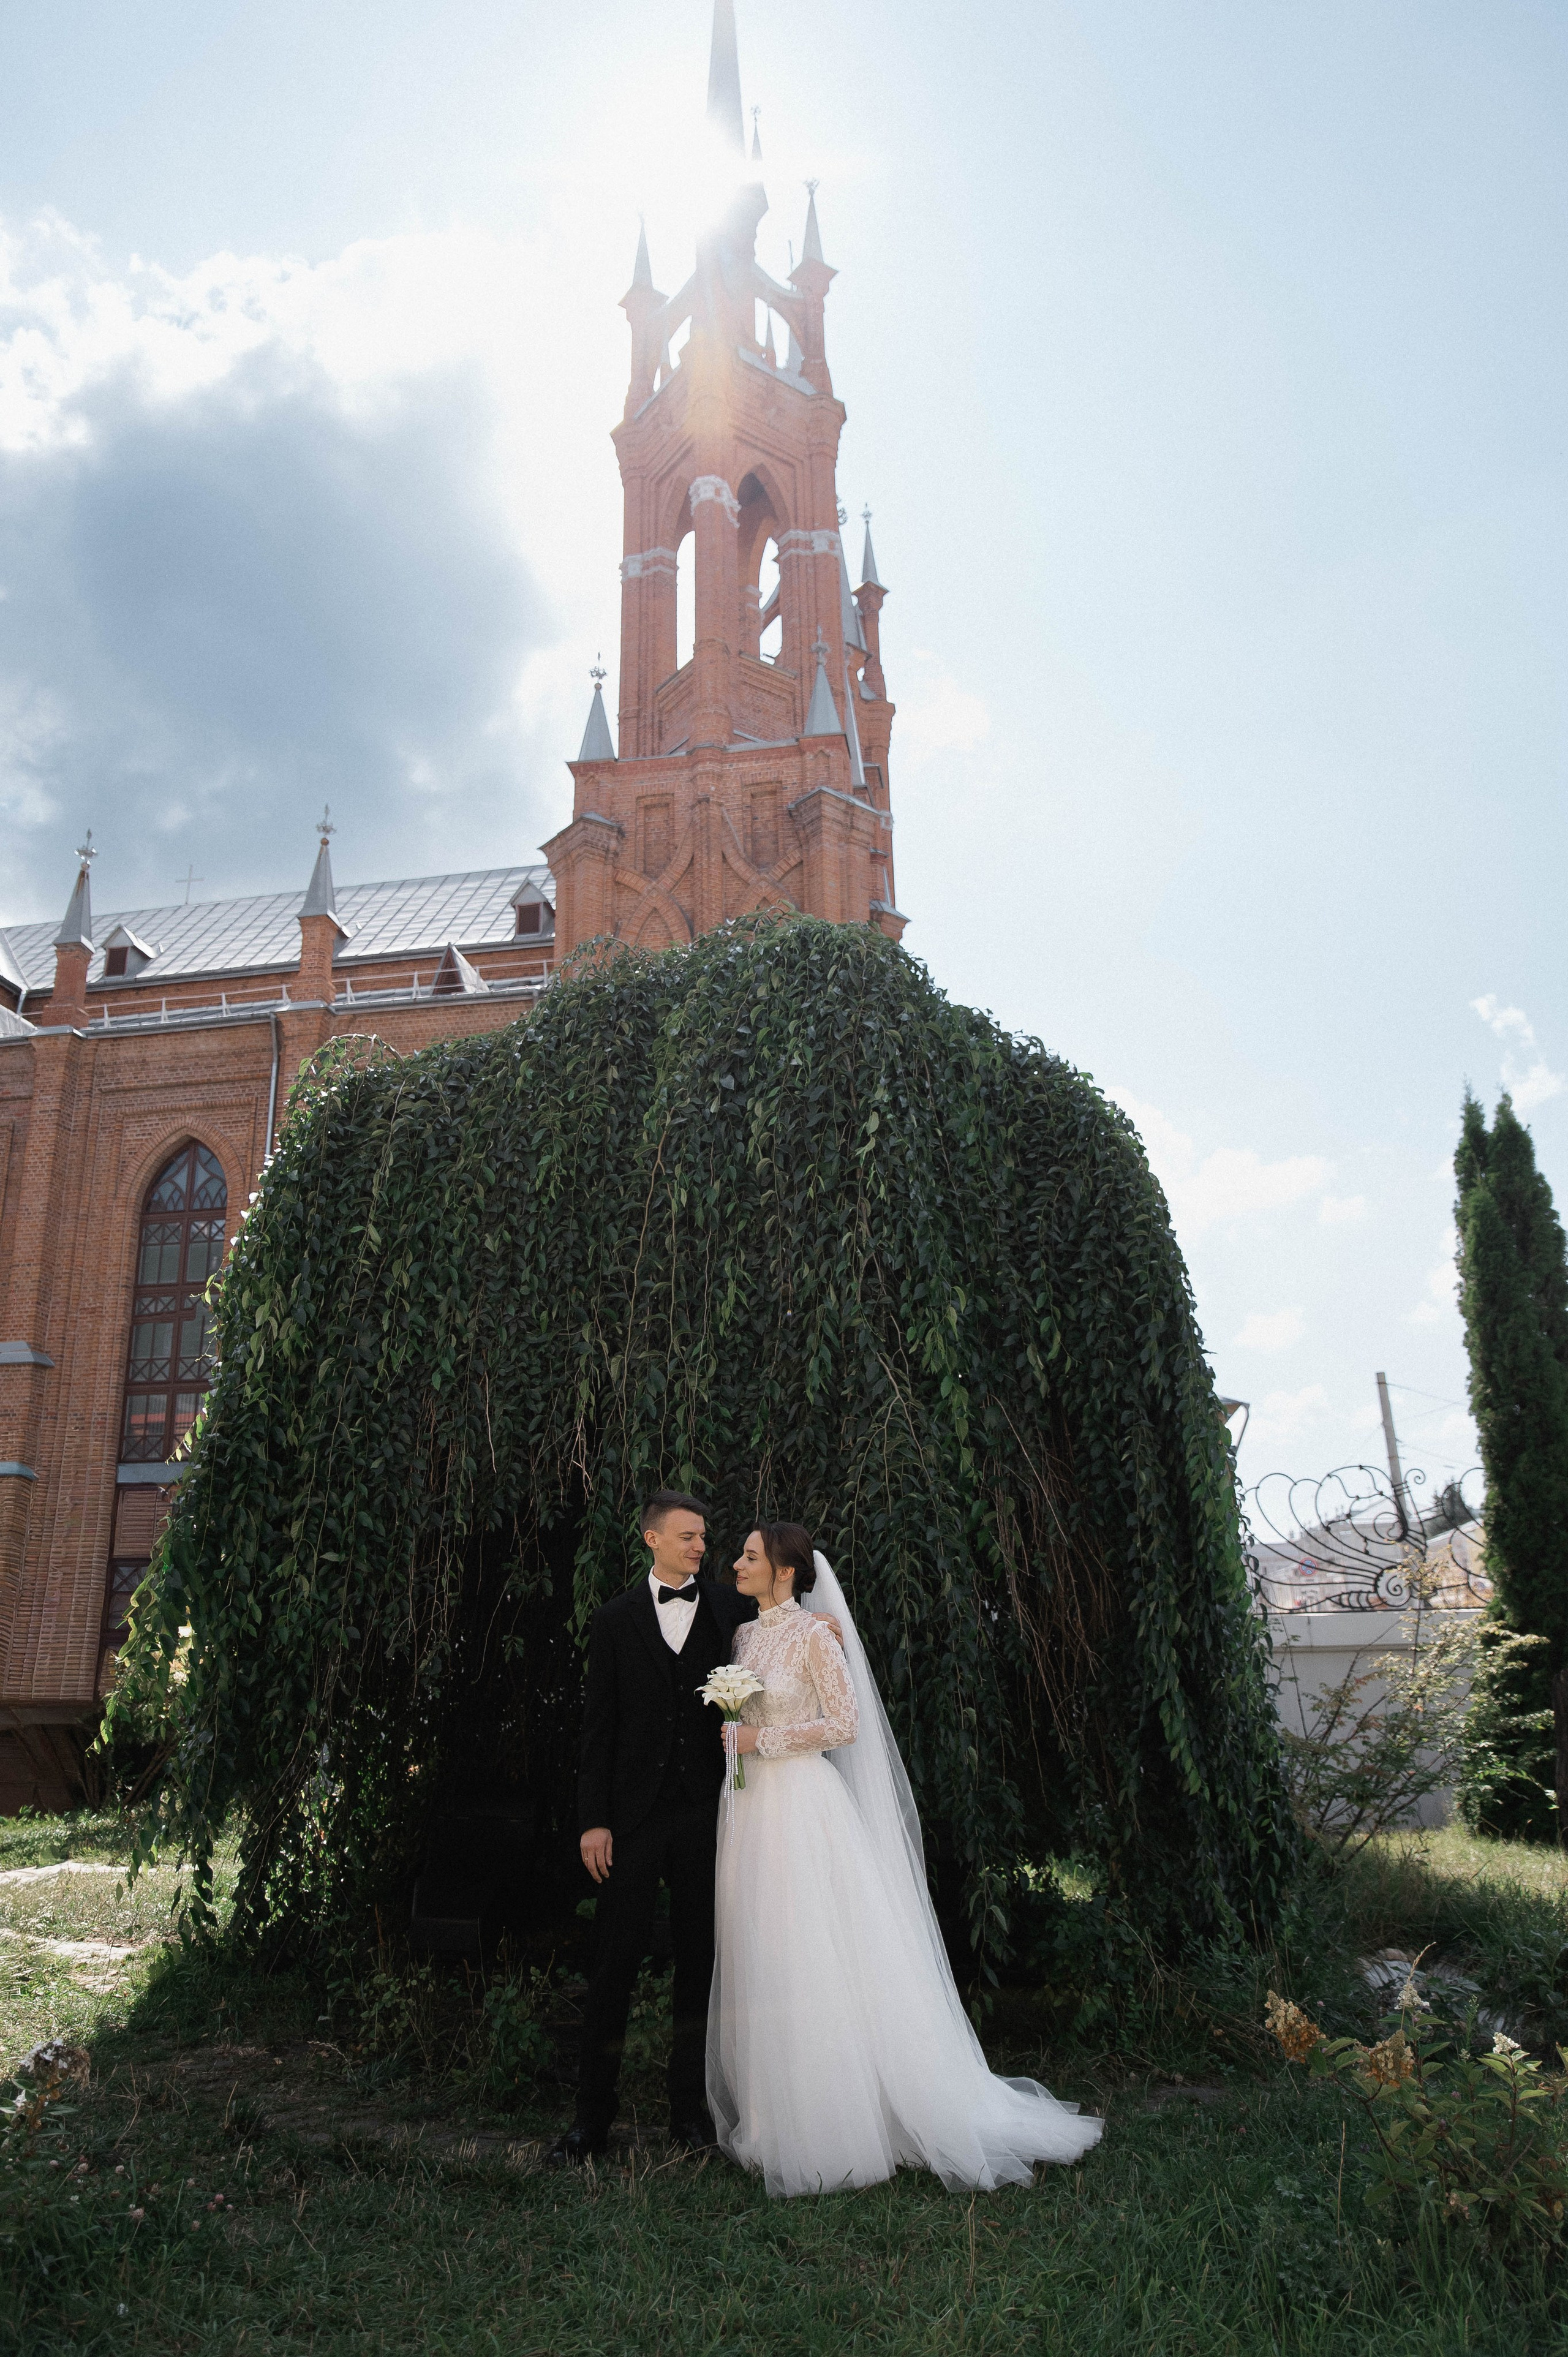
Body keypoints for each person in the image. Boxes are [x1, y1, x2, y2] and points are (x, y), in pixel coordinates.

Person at [706, 1523, 1104, 2197]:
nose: (736, 1562)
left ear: (783, 1570)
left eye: (749, 1554)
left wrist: (757, 1736)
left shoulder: (815, 1635)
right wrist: (735, 1737)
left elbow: (844, 1724)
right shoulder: (745, 1637)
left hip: (803, 1805)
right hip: (750, 1809)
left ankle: (837, 2127)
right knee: (766, 1950)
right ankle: (775, 2118)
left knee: (814, 1954)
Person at [546, 1490, 840, 2166]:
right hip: (631, 1820)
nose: (701, 1546)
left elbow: (789, 1618)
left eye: (704, 1537)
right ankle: (591, 2121)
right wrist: (593, 1819)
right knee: (614, 1963)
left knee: (700, 1966)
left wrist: (831, 1627)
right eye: (687, 1537)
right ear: (651, 1539)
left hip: (710, 1816)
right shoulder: (614, 1619)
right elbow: (597, 1729)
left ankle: (690, 2116)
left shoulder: (730, 1609)